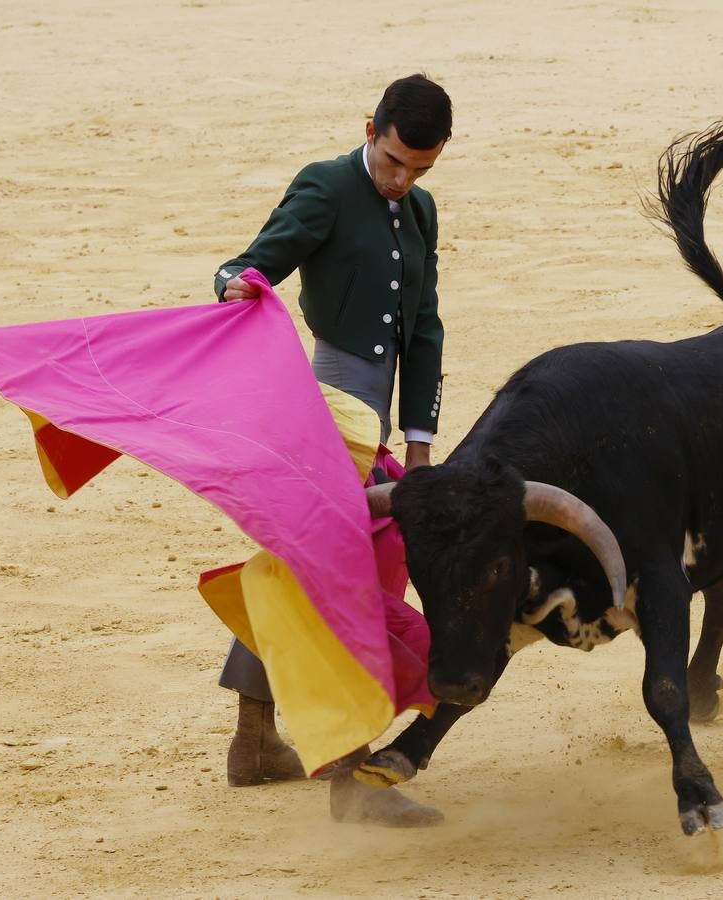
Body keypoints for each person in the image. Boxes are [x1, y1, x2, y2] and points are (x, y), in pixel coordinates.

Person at [212, 74, 451, 827]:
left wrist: (418, 442)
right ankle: (351, 776)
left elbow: (423, 327)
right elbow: (249, 264)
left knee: (300, 567)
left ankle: (255, 742)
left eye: (420, 168)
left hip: (373, 423)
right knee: (346, 576)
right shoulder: (325, 185)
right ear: (369, 128)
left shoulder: (420, 211)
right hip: (325, 414)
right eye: (393, 161)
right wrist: (237, 286)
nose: (401, 179)